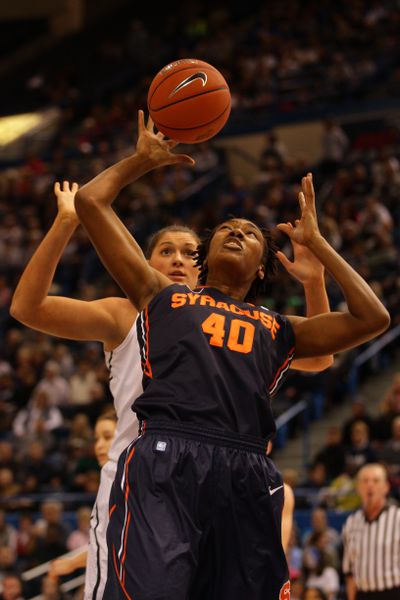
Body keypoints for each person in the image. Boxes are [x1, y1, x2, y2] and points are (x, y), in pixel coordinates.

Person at [73, 110, 389, 600]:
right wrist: (139, 163)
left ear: (263, 267)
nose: (237, 231)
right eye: (226, 228)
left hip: (245, 470)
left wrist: (320, 248)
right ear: (206, 253)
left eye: (250, 232)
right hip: (166, 458)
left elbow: (374, 319)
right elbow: (91, 201)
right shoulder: (163, 296)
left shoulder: (278, 329)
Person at [11, 172, 333, 597]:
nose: (179, 259)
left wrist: (313, 281)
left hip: (205, 480)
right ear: (143, 265)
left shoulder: (230, 322)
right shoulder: (124, 313)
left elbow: (319, 357)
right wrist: (66, 223)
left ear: (205, 265)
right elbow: (28, 307)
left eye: (188, 251)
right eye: (166, 251)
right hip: (139, 479)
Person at [48, 409, 117, 579]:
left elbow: (118, 546)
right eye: (96, 439)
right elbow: (104, 544)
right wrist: (72, 562)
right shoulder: (109, 479)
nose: (99, 445)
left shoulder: (127, 482)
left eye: (107, 437)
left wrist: (72, 563)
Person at [342, 463, 400, 599]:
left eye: (375, 481)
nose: (370, 485)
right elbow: (349, 572)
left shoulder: (397, 518)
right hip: (363, 594)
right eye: (365, 481)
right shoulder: (351, 522)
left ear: (385, 487)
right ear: (358, 487)